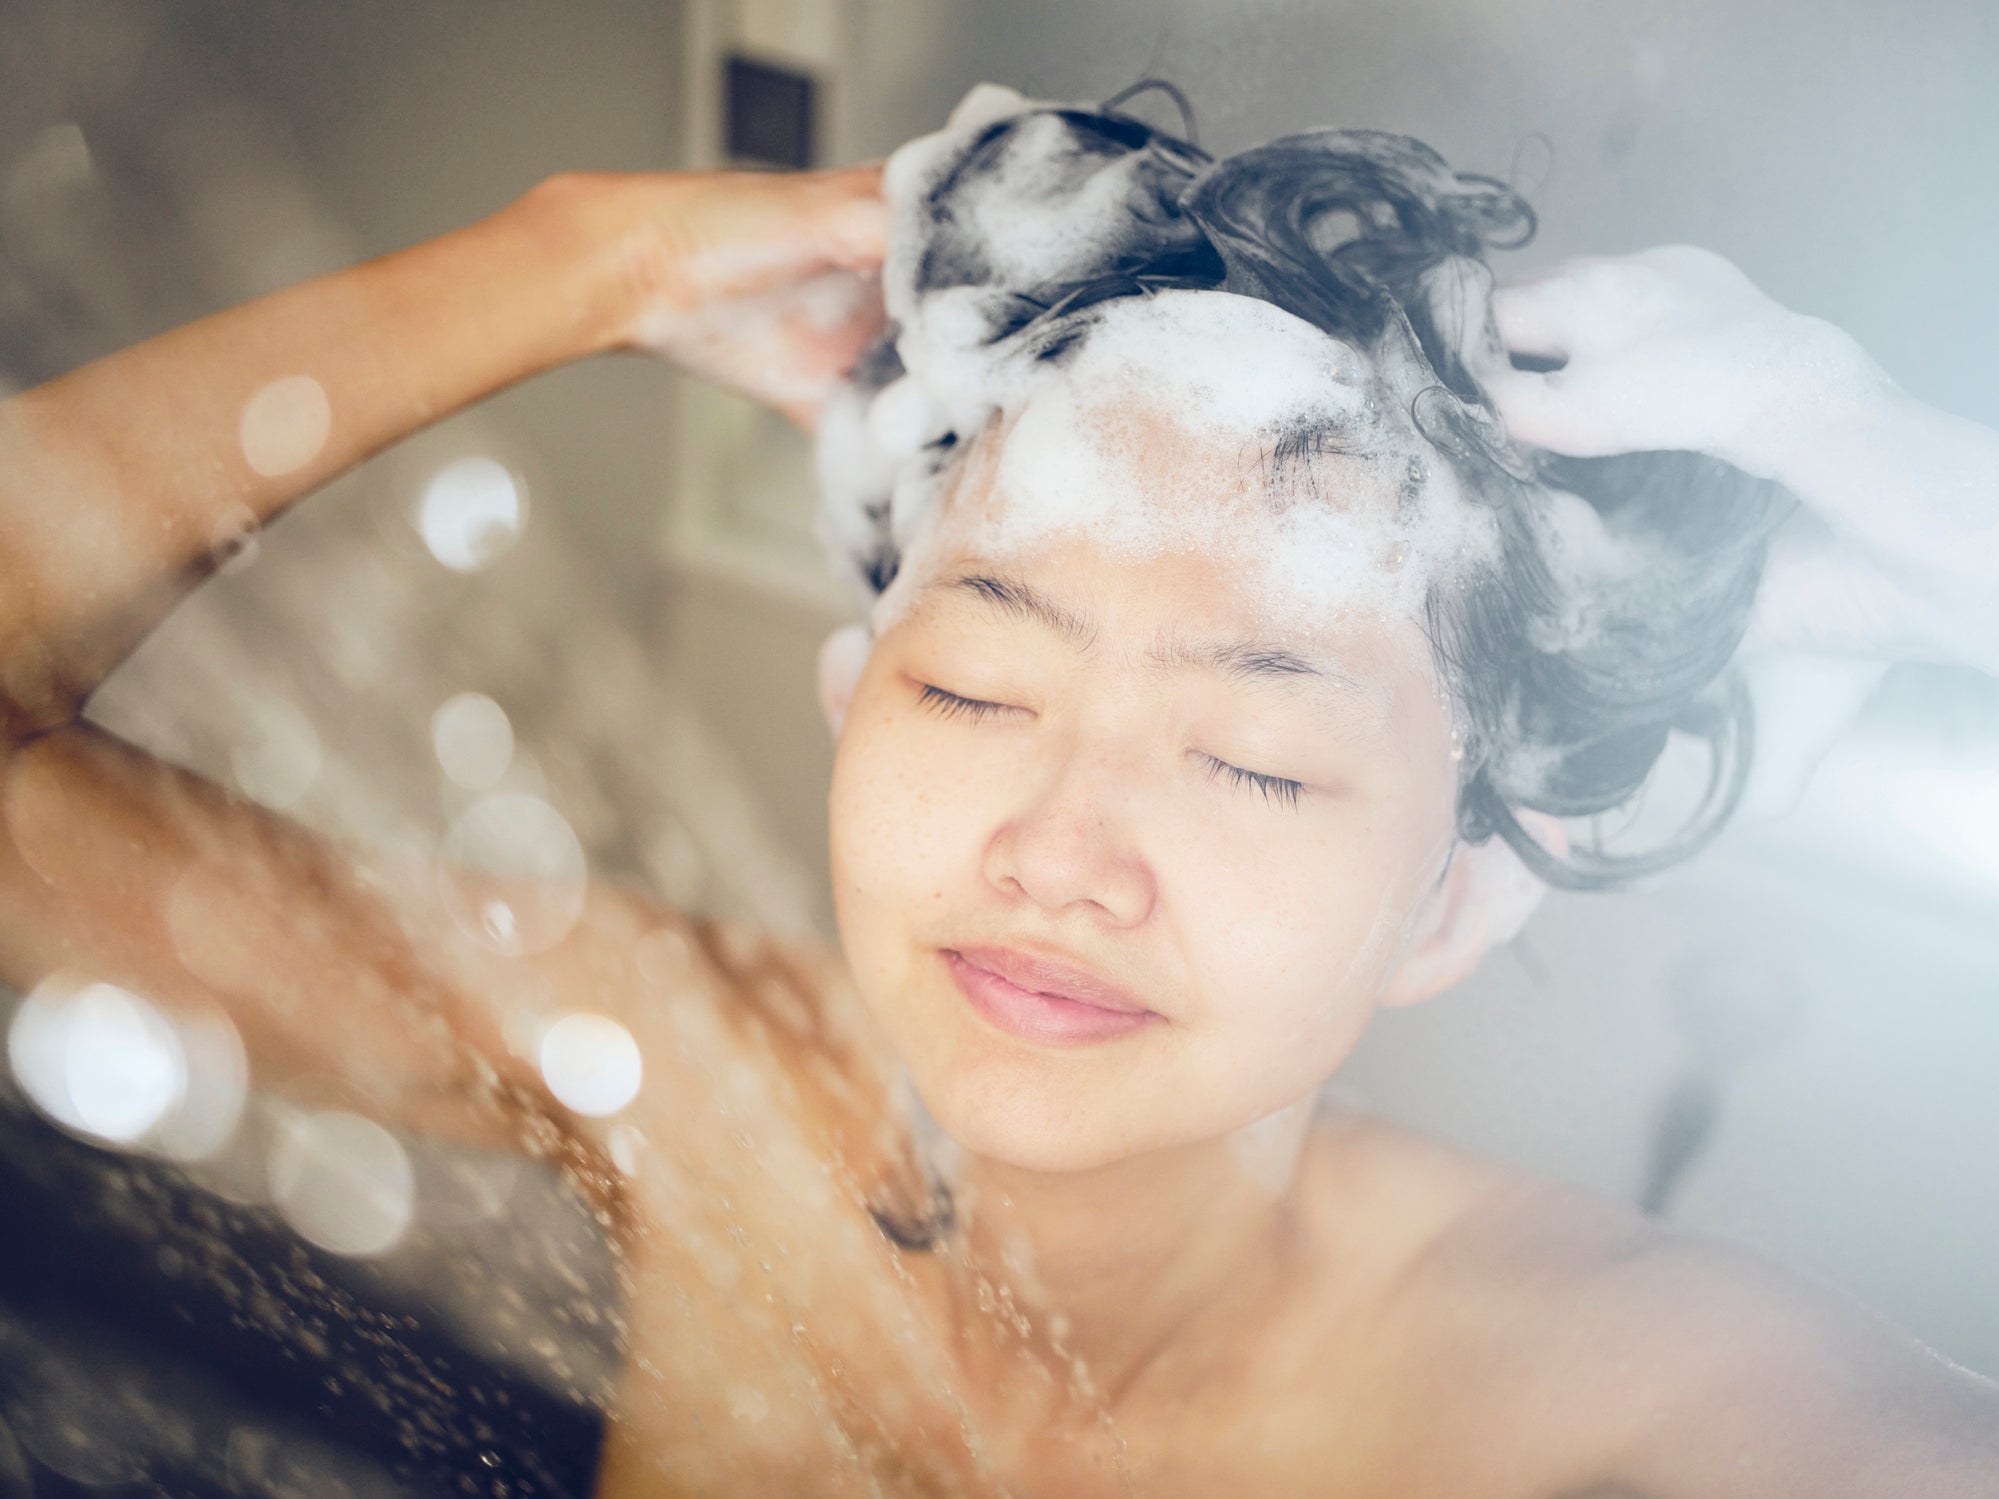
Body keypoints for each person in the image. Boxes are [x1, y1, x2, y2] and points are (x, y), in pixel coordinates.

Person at [1, 79, 1995, 1497]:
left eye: (1251, 752)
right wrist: (578, 259)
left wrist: (1914, 480)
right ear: (848, 695)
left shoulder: (1657, 1413)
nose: (1057, 854)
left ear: (1454, 905)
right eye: (970, 687)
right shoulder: (713, 1087)